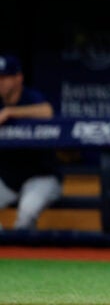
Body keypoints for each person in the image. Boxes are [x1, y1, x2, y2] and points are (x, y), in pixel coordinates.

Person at [0, 54, 61, 230]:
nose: (0, 82)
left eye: (5, 77)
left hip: (41, 177)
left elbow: (47, 111)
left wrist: (10, 112)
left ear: (18, 78)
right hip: (7, 179)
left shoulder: (31, 97)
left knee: (26, 213)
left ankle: (23, 254)